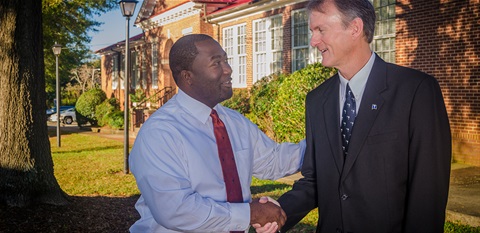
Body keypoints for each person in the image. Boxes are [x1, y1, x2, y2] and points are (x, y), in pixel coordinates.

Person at [255, 0, 451, 232]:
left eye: (321, 30)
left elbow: (428, 193)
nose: (313, 41)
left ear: (355, 28)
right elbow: (316, 180)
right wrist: (280, 211)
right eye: (312, 31)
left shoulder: (416, 91)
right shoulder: (317, 100)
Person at [128, 34, 305, 233]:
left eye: (226, 60)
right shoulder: (160, 133)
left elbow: (272, 161)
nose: (228, 69)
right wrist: (250, 213)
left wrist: (328, 139)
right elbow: (175, 210)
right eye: (216, 63)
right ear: (188, 76)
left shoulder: (233, 121)